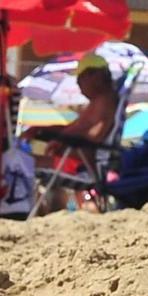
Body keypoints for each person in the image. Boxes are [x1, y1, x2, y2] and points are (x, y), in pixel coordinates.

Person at [33, 56, 120, 214]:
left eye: (80, 79)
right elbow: (80, 128)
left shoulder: (103, 101)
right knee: (25, 160)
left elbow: (95, 135)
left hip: (80, 166)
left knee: (25, 163)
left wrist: (61, 139)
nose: (78, 84)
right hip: (75, 161)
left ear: (94, 76)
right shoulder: (99, 101)